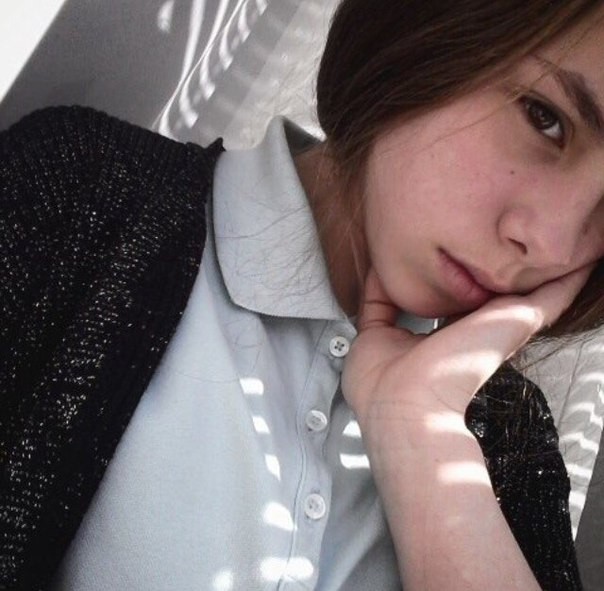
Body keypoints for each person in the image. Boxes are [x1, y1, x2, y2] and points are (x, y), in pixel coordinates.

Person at [2, 0, 604, 589]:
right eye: (545, 118)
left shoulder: (512, 437)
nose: (553, 244)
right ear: (433, 29)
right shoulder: (82, 198)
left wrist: (420, 428)